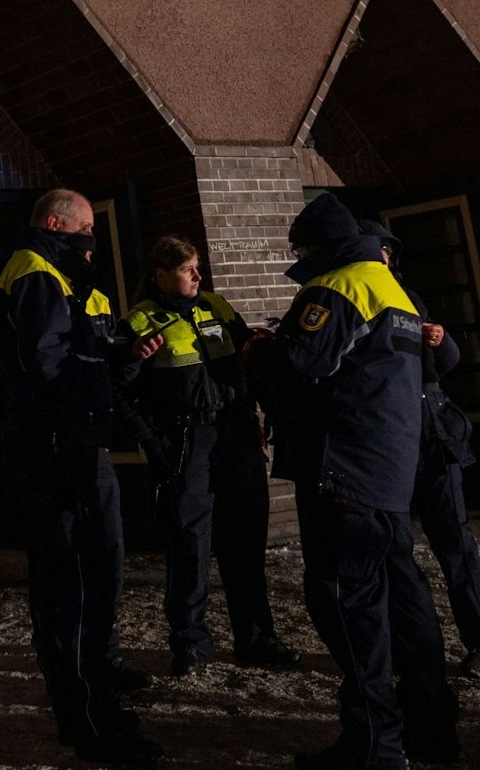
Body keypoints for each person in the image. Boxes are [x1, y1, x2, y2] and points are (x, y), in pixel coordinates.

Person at [246, 195, 458, 770]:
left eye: (300, 252)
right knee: (405, 603)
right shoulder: (394, 289)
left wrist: (258, 353)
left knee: (347, 605)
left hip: (342, 469)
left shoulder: (334, 287)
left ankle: (374, 745)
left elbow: (298, 366)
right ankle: (431, 729)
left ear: (316, 248)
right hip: (389, 472)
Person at [0, 188, 161, 768]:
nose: (92, 240)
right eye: (85, 229)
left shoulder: (55, 276)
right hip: (60, 446)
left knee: (84, 572)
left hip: (68, 441)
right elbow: (50, 366)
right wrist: (106, 362)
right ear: (57, 224)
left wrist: (122, 356)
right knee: (79, 578)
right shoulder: (38, 276)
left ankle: (90, 694)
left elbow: (76, 355)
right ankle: (91, 718)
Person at [119, 235, 300, 676]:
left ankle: (256, 639)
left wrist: (266, 408)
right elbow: (119, 389)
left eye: (198, 267)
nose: (199, 276)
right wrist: (151, 441)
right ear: (162, 275)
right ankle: (190, 643)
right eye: (188, 270)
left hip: (235, 434)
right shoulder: (140, 320)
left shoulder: (217, 307)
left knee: (246, 540)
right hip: (186, 442)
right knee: (190, 544)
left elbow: (250, 362)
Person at [358, 220, 480, 681]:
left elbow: (446, 362)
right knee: (392, 553)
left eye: (386, 251)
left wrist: (442, 341)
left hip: (432, 437)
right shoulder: (352, 298)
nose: (382, 258)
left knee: (455, 545)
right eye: (375, 250)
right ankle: (407, 651)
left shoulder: (409, 297)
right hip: (388, 444)